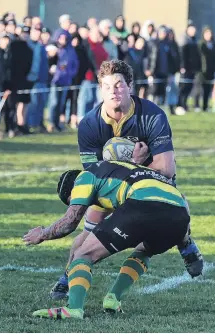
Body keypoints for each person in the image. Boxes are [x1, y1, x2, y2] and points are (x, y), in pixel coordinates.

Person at [49, 59, 203, 300]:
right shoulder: (89, 125)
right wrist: (134, 163)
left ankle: (185, 242)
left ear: (130, 85)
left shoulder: (152, 115)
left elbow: (166, 168)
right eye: (108, 86)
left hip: (151, 184)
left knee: (179, 205)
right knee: (89, 229)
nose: (114, 91)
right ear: (100, 89)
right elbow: (95, 174)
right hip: (117, 184)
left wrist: (135, 168)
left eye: (119, 84)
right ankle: (67, 277)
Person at [23, 160, 193, 319]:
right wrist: (188, 246)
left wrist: (42, 234)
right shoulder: (122, 171)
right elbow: (181, 199)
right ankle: (113, 298)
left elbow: (70, 222)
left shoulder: (85, 176)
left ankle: (73, 309)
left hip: (143, 205)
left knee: (83, 254)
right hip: (180, 215)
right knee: (145, 250)